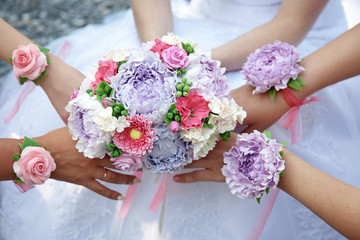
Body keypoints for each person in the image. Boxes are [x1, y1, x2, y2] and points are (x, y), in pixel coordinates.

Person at [0, 1, 358, 239]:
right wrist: (156, 58)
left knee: (231, 131)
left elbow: (290, 22)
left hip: (265, 48)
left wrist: (192, 69)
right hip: (164, 33)